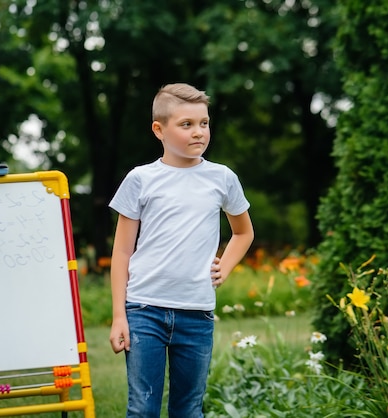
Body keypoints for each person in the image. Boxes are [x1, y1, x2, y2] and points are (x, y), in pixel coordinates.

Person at [108, 83, 254, 418]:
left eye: (203, 123)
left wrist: (225, 266)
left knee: (188, 409)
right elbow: (122, 252)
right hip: (144, 310)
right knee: (143, 408)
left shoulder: (223, 178)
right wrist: (119, 316)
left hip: (197, 312)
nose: (198, 132)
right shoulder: (140, 179)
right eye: (186, 124)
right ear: (159, 129)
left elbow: (243, 232)